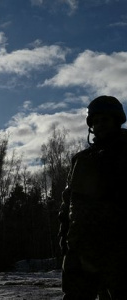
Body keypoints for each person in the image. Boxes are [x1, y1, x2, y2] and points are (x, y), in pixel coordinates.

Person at [59, 95, 127, 300]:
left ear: (116, 121)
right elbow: (67, 203)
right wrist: (65, 240)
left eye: (104, 120)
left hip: (120, 252)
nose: (99, 125)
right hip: (81, 251)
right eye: (95, 121)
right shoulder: (81, 160)